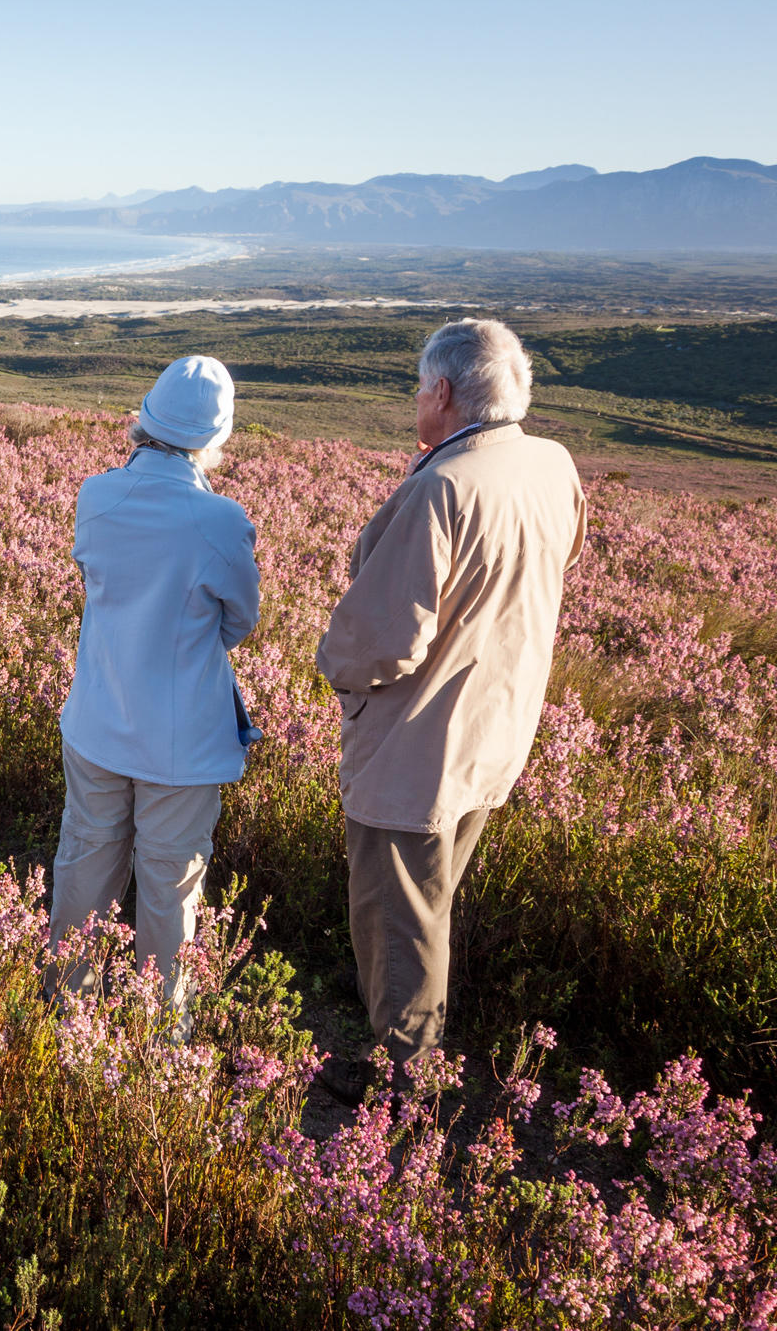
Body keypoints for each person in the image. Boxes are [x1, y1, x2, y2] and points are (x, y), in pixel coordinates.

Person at [315, 317, 586, 1105]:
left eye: (417, 386)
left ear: (441, 390)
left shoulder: (443, 487)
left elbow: (384, 639)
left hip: (418, 747)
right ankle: (405, 1056)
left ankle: (405, 1091)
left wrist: (336, 669)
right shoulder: (550, 462)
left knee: (400, 919)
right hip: (494, 727)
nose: (415, 399)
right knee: (429, 904)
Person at [48, 356, 261, 1029]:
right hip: (182, 747)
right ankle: (160, 1035)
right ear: (215, 436)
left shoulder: (96, 495)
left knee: (84, 866)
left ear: (146, 418)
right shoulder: (221, 520)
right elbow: (240, 621)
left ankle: (65, 1010)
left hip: (97, 719)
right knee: (169, 889)